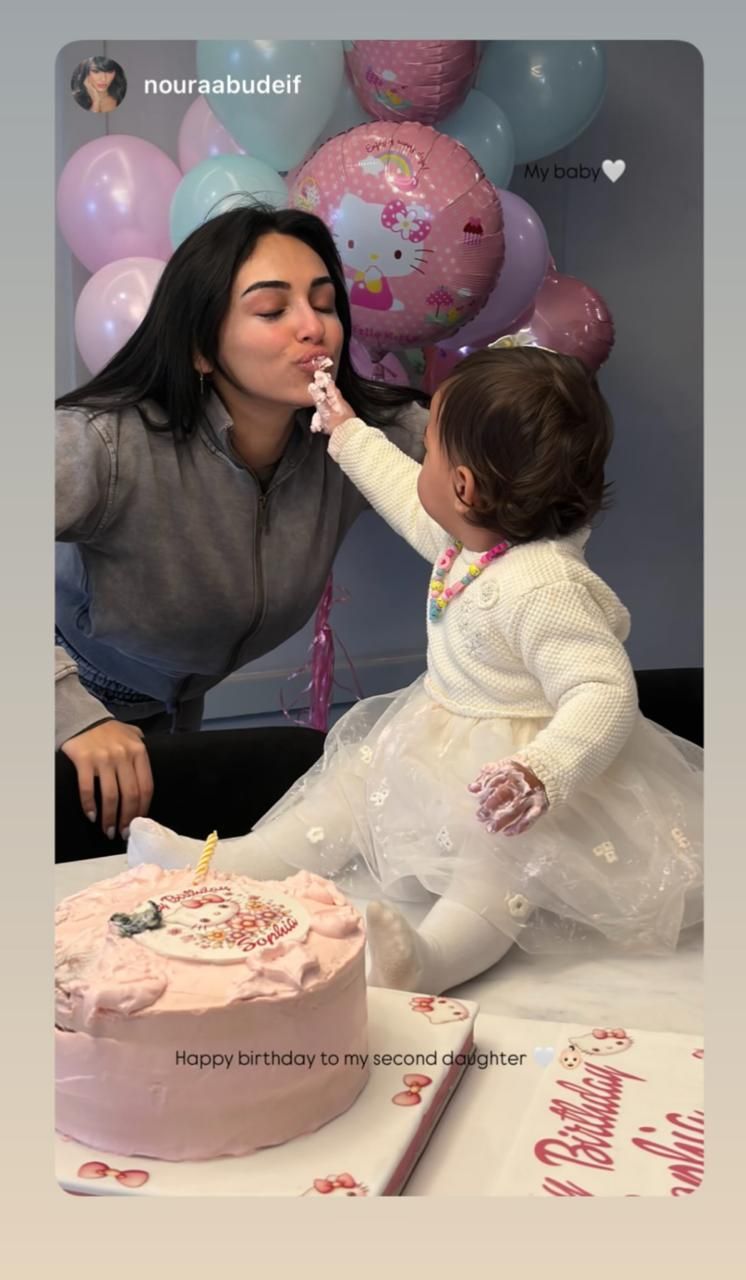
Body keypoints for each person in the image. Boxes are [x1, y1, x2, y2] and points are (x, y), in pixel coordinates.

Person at [127, 343, 703, 994]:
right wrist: (346, 432)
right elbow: (405, 495)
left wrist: (542, 771)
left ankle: (431, 959)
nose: (418, 462)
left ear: (464, 487)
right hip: (435, 732)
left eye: (428, 451)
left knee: (498, 867)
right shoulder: (472, 542)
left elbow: (604, 691)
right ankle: (227, 862)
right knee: (344, 791)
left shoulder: (544, 585)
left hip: (516, 776)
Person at [56, 203, 427, 847]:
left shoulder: (354, 435)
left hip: (173, 719)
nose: (314, 328)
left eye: (324, 304)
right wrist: (67, 710)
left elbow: (498, 467)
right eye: (272, 310)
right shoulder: (103, 442)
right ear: (202, 348)